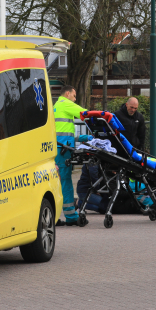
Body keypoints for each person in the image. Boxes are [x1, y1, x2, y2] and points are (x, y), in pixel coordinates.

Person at [54, 85, 86, 226]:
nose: (74, 99)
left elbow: (63, 132)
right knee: (66, 182)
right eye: (74, 96)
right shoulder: (66, 103)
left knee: (58, 182)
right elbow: (85, 114)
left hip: (58, 148)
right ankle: (71, 216)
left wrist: (79, 138)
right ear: (67, 94)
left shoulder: (57, 105)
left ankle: (54, 217)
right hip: (63, 150)